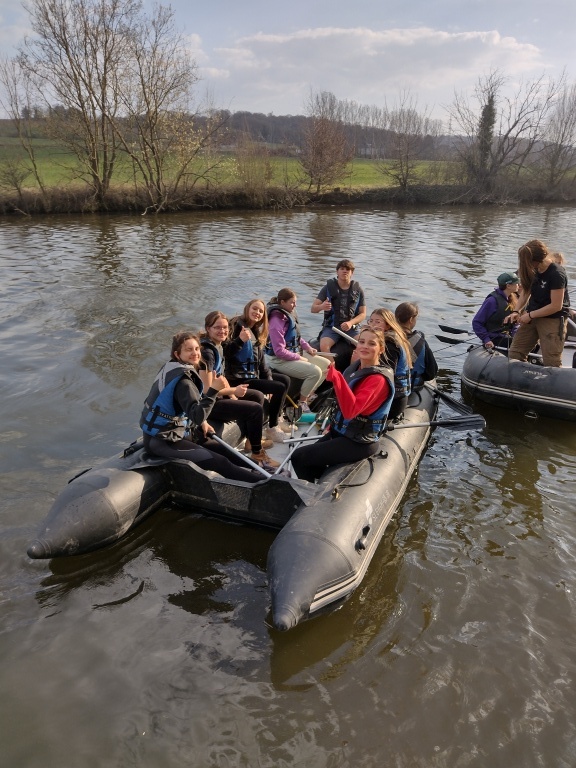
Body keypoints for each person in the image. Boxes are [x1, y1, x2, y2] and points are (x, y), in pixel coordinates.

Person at [140, 331, 263, 483]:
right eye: (189, 350)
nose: (195, 353)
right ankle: (264, 483)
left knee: (221, 449)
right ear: (177, 354)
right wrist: (214, 390)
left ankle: (260, 468)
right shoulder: (184, 382)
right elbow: (197, 416)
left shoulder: (172, 366)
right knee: (220, 462)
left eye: (197, 349)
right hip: (162, 440)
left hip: (174, 431)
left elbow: (187, 407)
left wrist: (204, 423)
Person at [290, 327, 395, 483]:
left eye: (372, 343)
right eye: (361, 342)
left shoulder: (378, 380)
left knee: (299, 457)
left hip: (359, 442)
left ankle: (314, 495)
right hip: (343, 432)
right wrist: (333, 425)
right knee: (304, 458)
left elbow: (350, 411)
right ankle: (320, 485)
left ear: (381, 349)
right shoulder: (358, 367)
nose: (365, 346)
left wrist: (337, 378)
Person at [199, 311, 278, 466]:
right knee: (254, 409)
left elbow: (220, 379)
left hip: (216, 397)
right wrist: (233, 392)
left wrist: (233, 396)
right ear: (208, 328)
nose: (222, 331)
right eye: (217, 327)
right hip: (206, 405)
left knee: (257, 396)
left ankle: (252, 442)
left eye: (225, 327)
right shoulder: (207, 353)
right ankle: (258, 455)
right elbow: (208, 391)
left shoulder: (218, 346)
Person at [224, 298, 291, 443]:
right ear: (247, 308)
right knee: (279, 388)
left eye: (261, 311)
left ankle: (277, 418)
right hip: (238, 379)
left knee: (284, 380)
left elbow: (261, 364)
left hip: (251, 375)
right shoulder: (236, 326)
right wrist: (240, 340)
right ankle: (272, 428)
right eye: (254, 309)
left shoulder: (254, 331)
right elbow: (226, 353)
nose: (257, 312)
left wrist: (269, 382)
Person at [264, 288, 330, 412]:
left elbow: (295, 336)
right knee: (315, 372)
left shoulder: (287, 314)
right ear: (282, 302)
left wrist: (308, 348)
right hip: (278, 360)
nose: (295, 305)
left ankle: (309, 394)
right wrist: (299, 357)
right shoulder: (276, 322)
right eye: (292, 302)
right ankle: (302, 402)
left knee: (326, 365)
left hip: (293, 352)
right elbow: (279, 351)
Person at [508, 239, 570, 367]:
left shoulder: (556, 274)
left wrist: (530, 315)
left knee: (551, 360)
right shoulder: (533, 270)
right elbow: (526, 291)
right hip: (532, 315)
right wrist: (516, 311)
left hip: (552, 318)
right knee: (515, 353)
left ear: (537, 260)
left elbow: (555, 306)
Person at [311, 259, 366, 353]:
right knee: (324, 345)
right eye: (342, 269)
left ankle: (356, 367)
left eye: (348, 269)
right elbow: (313, 309)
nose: (345, 271)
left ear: (352, 272)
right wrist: (321, 307)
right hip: (332, 327)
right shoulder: (327, 288)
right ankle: (333, 367)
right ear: (337, 271)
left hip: (351, 328)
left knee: (364, 346)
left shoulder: (358, 290)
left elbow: (363, 314)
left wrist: (351, 323)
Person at [367, 307, 413, 420]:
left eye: (378, 322)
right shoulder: (384, 340)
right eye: (371, 321)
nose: (372, 325)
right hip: (393, 398)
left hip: (393, 402)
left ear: (388, 325)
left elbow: (384, 378)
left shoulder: (390, 345)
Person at [394, 302, 438, 390]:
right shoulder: (420, 340)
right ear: (411, 319)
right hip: (413, 385)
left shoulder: (385, 337)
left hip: (389, 385)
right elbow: (431, 372)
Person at [472, 272, 520, 350]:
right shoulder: (492, 301)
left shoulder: (513, 299)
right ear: (508, 286)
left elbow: (515, 325)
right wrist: (486, 340)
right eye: (516, 283)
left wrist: (516, 334)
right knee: (524, 345)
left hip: (506, 336)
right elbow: (477, 322)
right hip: (494, 338)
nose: (519, 285)